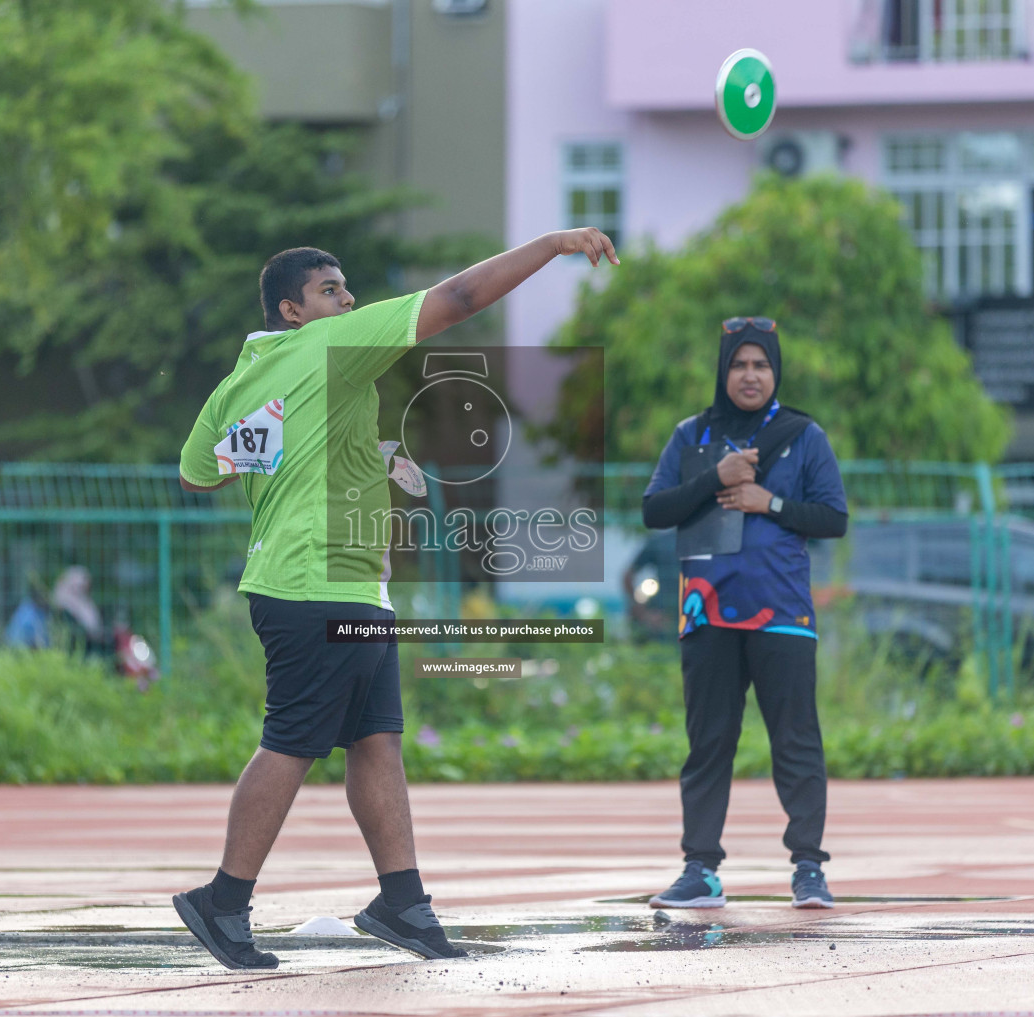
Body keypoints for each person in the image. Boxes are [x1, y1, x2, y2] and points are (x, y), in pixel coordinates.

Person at [177, 229, 618, 970]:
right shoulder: (335, 345)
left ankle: (402, 904)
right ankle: (221, 901)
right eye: (329, 291)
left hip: (340, 584)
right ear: (292, 310)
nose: (347, 300)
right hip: (312, 585)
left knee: (376, 740)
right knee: (292, 742)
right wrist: (551, 245)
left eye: (347, 288)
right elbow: (461, 297)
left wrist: (339, 453)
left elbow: (198, 473)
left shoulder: (242, 381)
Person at [640, 318, 847, 911]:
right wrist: (716, 478)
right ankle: (700, 872)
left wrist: (770, 502)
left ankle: (809, 868)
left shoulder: (803, 436)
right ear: (723, 371)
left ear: (775, 372)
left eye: (760, 364)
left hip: (782, 614)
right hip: (706, 615)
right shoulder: (691, 435)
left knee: (796, 742)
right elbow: (656, 510)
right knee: (708, 743)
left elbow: (833, 519)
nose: (750, 375)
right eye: (739, 364)